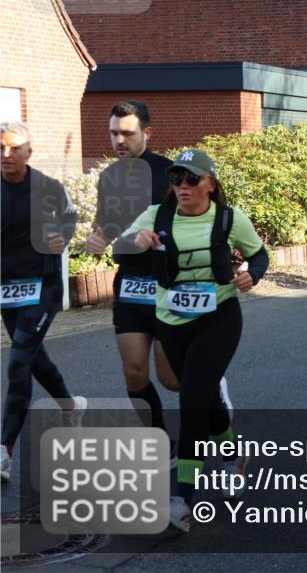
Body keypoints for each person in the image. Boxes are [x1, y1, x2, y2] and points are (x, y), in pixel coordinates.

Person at [119, 148, 269, 531]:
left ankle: (183, 499)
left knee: (191, 400)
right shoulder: (157, 215)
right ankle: (234, 455)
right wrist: (136, 238)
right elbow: (121, 244)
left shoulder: (230, 219)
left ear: (210, 184)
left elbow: (259, 255)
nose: (182, 186)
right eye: (176, 179)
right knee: (201, 394)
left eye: (191, 179)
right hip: (171, 318)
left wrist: (253, 274)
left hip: (219, 317)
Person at [85, 101, 188, 454]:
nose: (119, 140)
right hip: (130, 285)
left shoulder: (170, 173)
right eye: (114, 132)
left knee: (172, 379)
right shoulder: (108, 177)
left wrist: (160, 239)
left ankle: (211, 396)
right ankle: (160, 441)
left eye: (127, 133)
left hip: (168, 285)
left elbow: (192, 224)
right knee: (134, 372)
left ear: (147, 133)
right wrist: (98, 238)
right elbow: (109, 224)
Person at [1, 122, 86, 482]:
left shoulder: (48, 188)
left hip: (43, 285)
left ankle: (4, 450)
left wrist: (61, 238)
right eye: (0, 147)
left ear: (29, 152)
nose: (6, 155)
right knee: (33, 356)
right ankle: (71, 406)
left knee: (18, 362)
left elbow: (70, 218)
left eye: (14, 148)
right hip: (7, 287)